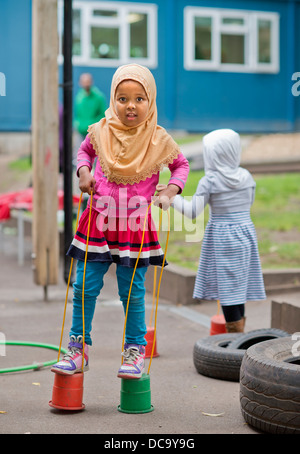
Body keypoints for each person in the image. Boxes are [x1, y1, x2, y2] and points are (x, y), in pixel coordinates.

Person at [51, 64, 189, 378]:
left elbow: (181, 166)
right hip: (97, 221)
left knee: (132, 292)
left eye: (139, 99)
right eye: (123, 98)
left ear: (150, 102)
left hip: (133, 227)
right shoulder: (100, 129)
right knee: (84, 286)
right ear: (113, 99)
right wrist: (84, 171)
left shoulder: (158, 138)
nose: (130, 105)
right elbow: (84, 152)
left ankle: (134, 351)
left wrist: (170, 190)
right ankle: (77, 348)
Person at [171, 129, 266, 333]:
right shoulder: (247, 177)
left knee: (228, 289)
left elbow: (192, 211)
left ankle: (235, 339)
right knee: (238, 285)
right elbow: (248, 202)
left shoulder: (211, 181)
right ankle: (239, 331)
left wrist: (172, 198)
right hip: (245, 233)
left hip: (223, 237)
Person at [74, 73, 107, 139]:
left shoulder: (98, 97)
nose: (86, 84)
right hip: (81, 132)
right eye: (84, 82)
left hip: (93, 133)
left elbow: (102, 115)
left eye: (87, 82)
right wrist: (77, 125)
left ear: (91, 82)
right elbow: (77, 114)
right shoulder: (79, 97)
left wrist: (93, 126)